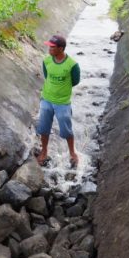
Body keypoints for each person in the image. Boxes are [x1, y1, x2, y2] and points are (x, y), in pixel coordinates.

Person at [36, 34, 81, 167]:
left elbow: (75, 81)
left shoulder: (72, 65)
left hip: (62, 102)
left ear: (61, 48)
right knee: (43, 127)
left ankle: (72, 152)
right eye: (49, 46)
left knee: (66, 129)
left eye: (52, 47)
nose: (49, 49)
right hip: (47, 99)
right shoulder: (47, 61)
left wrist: (62, 90)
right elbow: (46, 75)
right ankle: (44, 151)